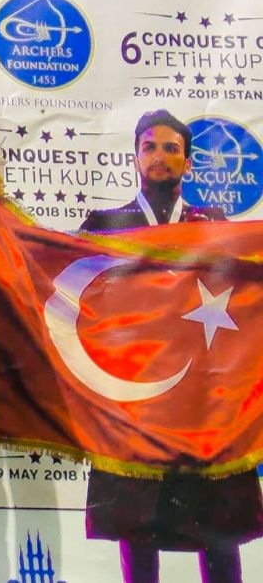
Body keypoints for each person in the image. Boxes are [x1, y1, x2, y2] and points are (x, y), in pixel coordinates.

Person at [77, 109, 262, 583]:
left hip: (204, 407)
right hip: (133, 406)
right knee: (137, 533)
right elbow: (55, 276)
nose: (158, 156)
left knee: (219, 533)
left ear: (188, 162)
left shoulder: (216, 226)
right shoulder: (106, 223)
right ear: (135, 157)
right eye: (149, 147)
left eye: (171, 149)